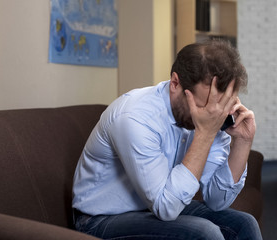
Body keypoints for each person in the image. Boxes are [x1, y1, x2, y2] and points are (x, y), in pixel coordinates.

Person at [72, 39, 262, 240]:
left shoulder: (214, 111)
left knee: (244, 224)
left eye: (220, 108)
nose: (212, 115)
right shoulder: (135, 118)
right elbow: (166, 208)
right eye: (202, 106)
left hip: (153, 206)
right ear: (175, 83)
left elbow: (217, 200)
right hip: (100, 219)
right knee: (205, 234)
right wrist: (205, 134)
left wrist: (242, 141)